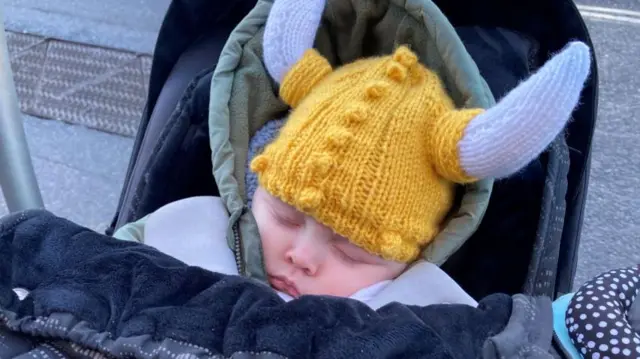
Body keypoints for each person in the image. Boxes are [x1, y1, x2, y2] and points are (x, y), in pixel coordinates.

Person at [114, 0, 591, 308]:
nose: (301, 256)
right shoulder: (186, 232)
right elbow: (93, 279)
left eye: (351, 250)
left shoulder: (428, 313)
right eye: (283, 215)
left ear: (412, 255)